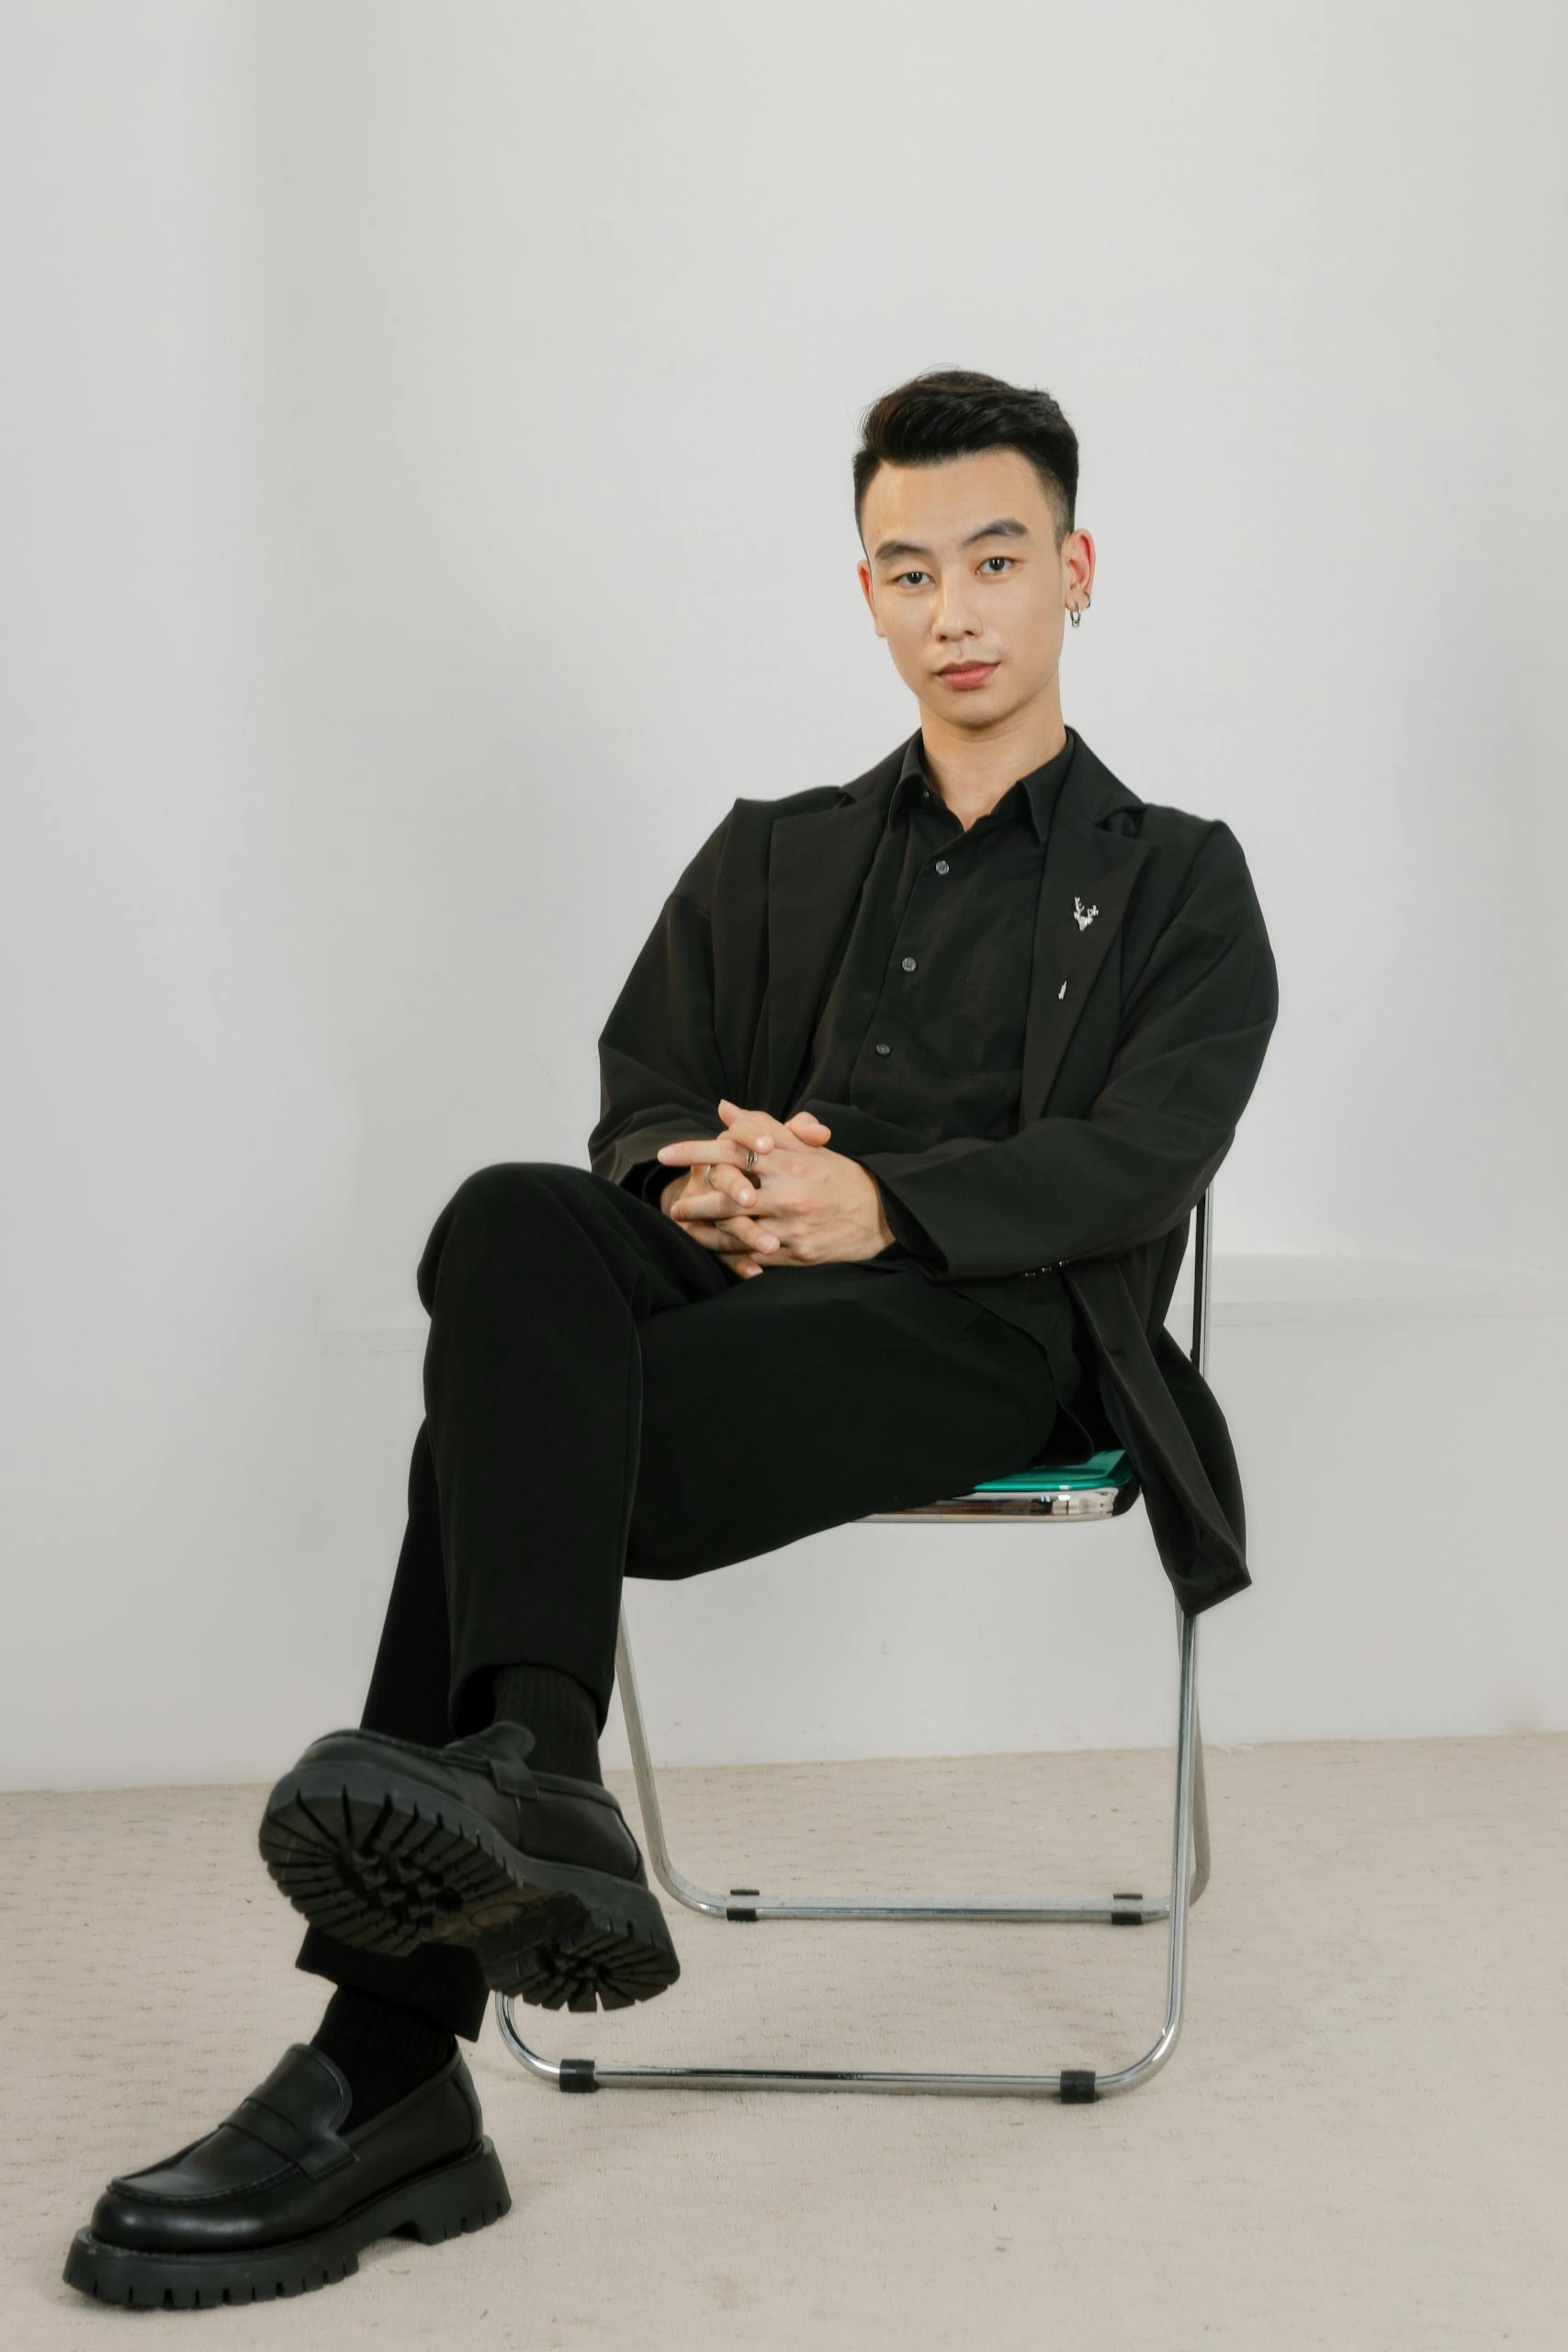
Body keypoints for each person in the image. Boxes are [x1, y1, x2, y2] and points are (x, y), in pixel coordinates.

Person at [63, 367, 1278, 2308]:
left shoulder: (1176, 876)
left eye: (993, 560)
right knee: (508, 1220)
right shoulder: (773, 850)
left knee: (500, 1432)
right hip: (744, 1293)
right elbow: (645, 1084)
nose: (952, 609)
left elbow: (1149, 1152)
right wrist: (690, 1183)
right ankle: (539, 1774)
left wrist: (879, 1205)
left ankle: (386, 2063)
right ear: (865, 593)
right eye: (908, 571)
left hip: (994, 1333)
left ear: (1073, 569)